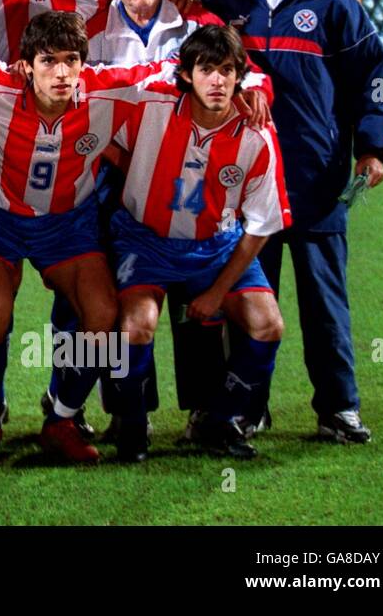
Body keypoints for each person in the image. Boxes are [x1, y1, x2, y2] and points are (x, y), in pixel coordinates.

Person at [196, 0, 383, 443]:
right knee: (247, 300)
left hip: (316, 176)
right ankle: (247, 406)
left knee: (323, 301)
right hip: (241, 179)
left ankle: (338, 407)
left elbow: (373, 75)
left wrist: (373, 147)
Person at [0, 12, 173, 464]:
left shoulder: (108, 90)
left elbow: (178, 70)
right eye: (48, 61)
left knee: (103, 312)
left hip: (67, 221)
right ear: (25, 65)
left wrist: (255, 91)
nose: (63, 72)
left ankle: (62, 420)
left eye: (72, 60)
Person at [106, 24, 289, 461]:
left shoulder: (257, 136)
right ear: (186, 74)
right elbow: (97, 121)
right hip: (145, 240)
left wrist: (217, 292)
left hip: (217, 245)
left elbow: (261, 225)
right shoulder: (149, 103)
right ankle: (131, 427)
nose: (218, 81)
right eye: (207, 69)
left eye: (228, 71)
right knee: (135, 327)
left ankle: (220, 422)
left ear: (239, 76)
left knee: (268, 325)